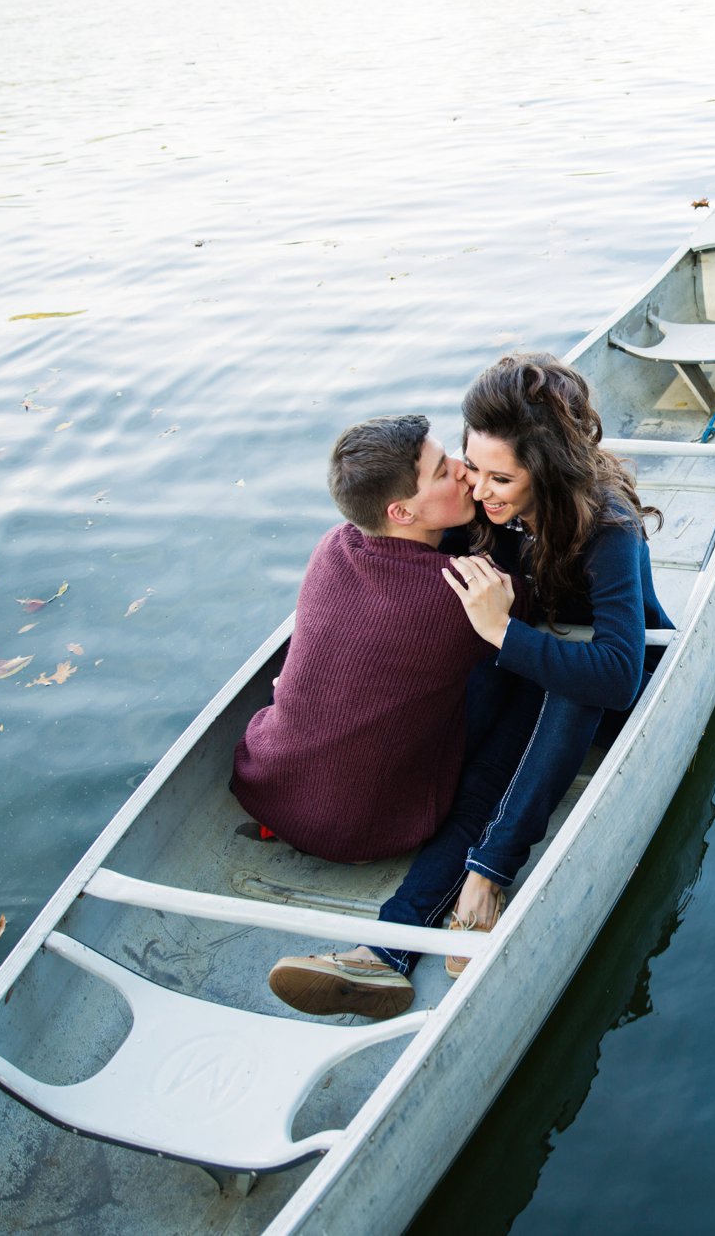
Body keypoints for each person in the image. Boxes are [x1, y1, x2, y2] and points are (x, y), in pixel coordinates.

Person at [268, 352, 671, 1019]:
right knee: (482, 756)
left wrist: (506, 636)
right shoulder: (482, 511)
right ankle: (385, 952)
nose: (479, 489)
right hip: (529, 664)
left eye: (501, 476)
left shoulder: (608, 528)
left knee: (563, 677)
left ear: (547, 467)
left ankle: (487, 876)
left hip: (600, 691)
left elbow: (619, 673)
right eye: (470, 466)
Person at [236, 414, 517, 1019]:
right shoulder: (457, 598)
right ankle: (471, 880)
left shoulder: (334, 546)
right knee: (521, 698)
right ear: (401, 513)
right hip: (369, 831)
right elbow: (521, 625)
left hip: (269, 790)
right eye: (445, 471)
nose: (466, 475)